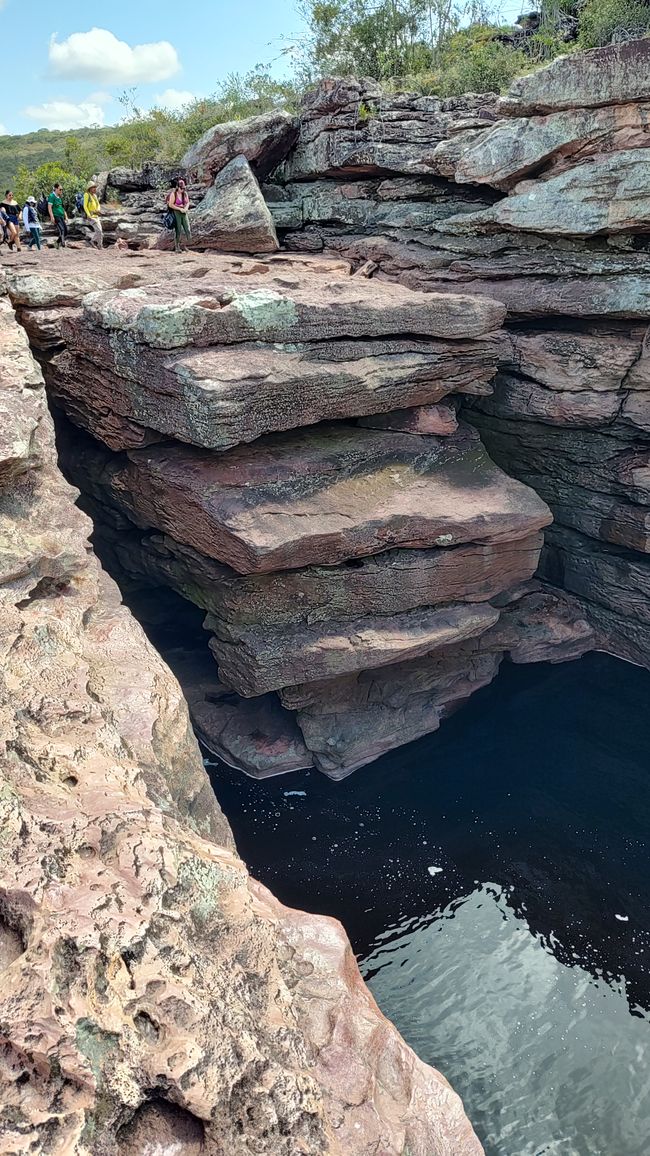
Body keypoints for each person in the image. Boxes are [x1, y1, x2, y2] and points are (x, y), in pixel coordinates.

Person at [166, 177, 191, 252]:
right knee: (178, 230)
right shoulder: (174, 194)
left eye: (183, 188)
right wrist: (179, 208)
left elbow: (187, 202)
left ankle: (186, 245)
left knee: (187, 229)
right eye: (181, 188)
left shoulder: (185, 194)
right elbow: (170, 204)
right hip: (176, 212)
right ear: (177, 187)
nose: (182, 190)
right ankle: (177, 247)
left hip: (184, 212)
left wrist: (186, 208)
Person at [83, 180, 103, 249]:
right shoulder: (86, 195)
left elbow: (98, 204)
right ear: (90, 188)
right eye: (93, 187)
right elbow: (85, 206)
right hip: (91, 216)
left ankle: (99, 245)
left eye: (95, 187)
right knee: (99, 231)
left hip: (96, 215)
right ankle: (94, 242)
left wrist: (98, 210)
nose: (95, 189)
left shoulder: (95, 196)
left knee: (100, 231)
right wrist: (88, 215)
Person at [48, 182, 68, 248]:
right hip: (56, 215)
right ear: (56, 189)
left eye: (62, 189)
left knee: (66, 231)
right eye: (60, 189)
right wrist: (52, 217)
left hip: (61, 216)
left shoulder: (59, 197)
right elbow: (49, 207)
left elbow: (62, 207)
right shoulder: (51, 196)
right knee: (62, 229)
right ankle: (63, 244)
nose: (61, 191)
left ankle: (57, 243)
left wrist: (66, 216)